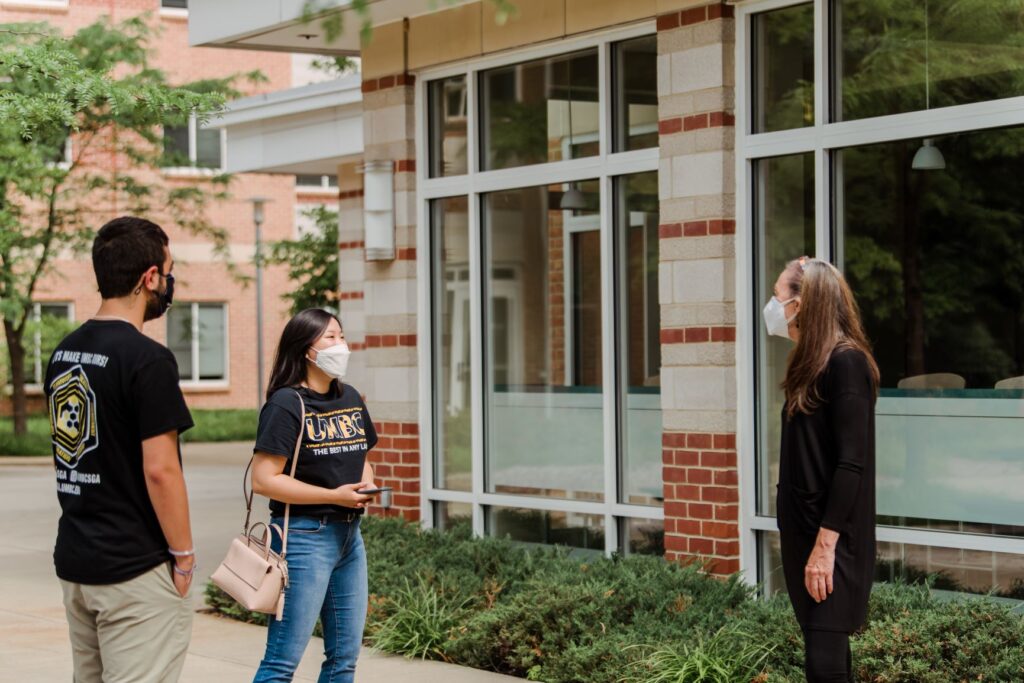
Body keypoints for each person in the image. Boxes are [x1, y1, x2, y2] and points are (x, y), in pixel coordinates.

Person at [47, 216, 196, 682]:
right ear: (149, 277)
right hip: (134, 569)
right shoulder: (148, 359)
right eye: (168, 273)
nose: (169, 285)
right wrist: (184, 556)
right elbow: (161, 471)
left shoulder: (65, 352)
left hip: (78, 561)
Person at [766, 257, 879, 683]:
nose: (774, 306)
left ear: (802, 303)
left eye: (779, 296)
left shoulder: (846, 363)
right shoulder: (809, 360)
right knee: (825, 659)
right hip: (805, 535)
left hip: (832, 543)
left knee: (825, 664)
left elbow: (853, 463)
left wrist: (824, 548)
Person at [251, 308, 379, 683]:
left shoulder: (350, 397)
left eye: (341, 336)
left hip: (349, 539)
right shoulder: (287, 404)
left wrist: (363, 486)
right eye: (330, 338)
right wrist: (332, 495)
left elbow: (363, 458)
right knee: (280, 663)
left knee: (344, 661)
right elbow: (263, 479)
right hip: (304, 539)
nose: (341, 345)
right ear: (306, 350)